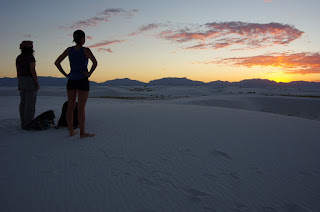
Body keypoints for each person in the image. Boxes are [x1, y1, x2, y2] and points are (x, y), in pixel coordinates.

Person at [55, 30, 97, 138]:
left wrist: (65, 74)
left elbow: (57, 62)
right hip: (82, 80)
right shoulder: (85, 50)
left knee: (70, 106)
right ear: (83, 38)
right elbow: (95, 62)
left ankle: (70, 131)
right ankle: (82, 133)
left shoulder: (69, 50)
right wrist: (89, 73)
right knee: (81, 108)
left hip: (72, 80)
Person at [16, 41, 40, 130]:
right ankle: (28, 123)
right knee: (30, 103)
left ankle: (23, 123)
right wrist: (36, 82)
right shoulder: (30, 57)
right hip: (29, 80)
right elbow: (32, 69)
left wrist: (19, 82)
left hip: (21, 80)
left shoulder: (19, 58)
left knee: (23, 102)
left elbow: (18, 71)